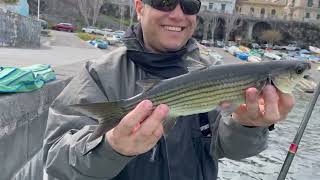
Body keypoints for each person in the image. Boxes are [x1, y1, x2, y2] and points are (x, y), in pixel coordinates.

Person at [42, 0, 294, 179]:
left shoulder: (216, 72)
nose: (177, 14)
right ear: (139, 7)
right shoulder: (97, 75)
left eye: (189, 5)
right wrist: (111, 147)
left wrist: (248, 126)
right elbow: (56, 163)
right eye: (164, 2)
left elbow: (232, 151)